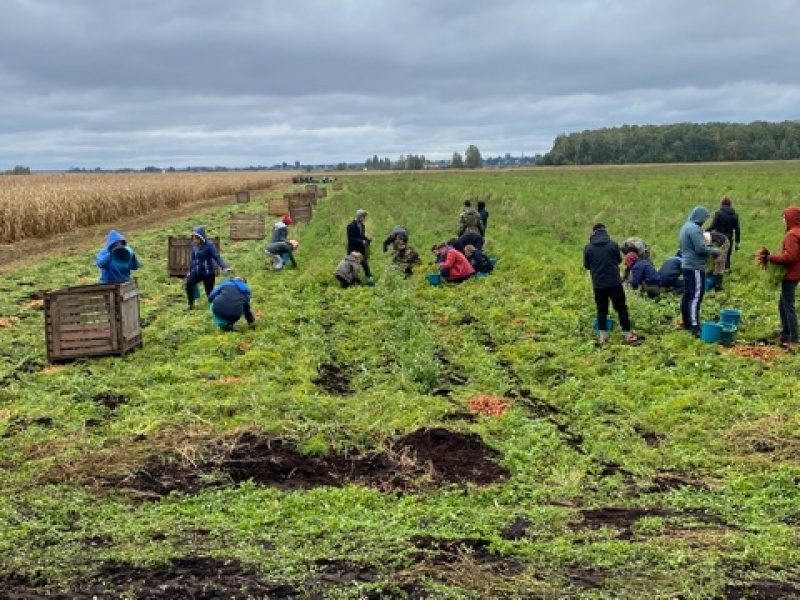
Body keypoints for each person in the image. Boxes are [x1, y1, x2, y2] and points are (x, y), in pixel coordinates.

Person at [583, 224, 638, 345]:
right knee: (621, 308)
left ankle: (603, 337)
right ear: (605, 231)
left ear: (593, 233)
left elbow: (587, 266)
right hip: (614, 282)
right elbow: (619, 260)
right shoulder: (612, 245)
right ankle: (628, 334)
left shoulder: (588, 248)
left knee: (601, 309)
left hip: (598, 284)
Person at [678, 206, 720, 336]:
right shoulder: (695, 229)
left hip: (686, 264)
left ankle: (686, 322)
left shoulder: (685, 227)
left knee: (687, 295)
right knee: (696, 296)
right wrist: (714, 250)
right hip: (695, 267)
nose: (704, 222)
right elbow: (700, 249)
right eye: (704, 219)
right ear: (700, 217)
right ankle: (694, 326)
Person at [766, 206, 800, 347]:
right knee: (783, 304)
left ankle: (793, 337)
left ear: (790, 218)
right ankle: (786, 333)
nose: (783, 220)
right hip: (796, 272)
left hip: (791, 273)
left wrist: (772, 257)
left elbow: (790, 256)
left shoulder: (792, 235)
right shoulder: (798, 231)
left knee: (787, 305)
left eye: (784, 217)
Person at [186, 226, 231, 310]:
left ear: (201, 237)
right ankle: (190, 304)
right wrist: (190, 271)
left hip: (208, 273)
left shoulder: (209, 245)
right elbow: (193, 259)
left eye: (197, 239)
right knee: (189, 284)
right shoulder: (193, 245)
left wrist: (224, 267)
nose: (195, 241)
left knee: (209, 293)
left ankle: (214, 308)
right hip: (197, 271)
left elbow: (217, 257)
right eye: (194, 238)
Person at [707, 197, 741, 271]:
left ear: (722, 204)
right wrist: (737, 242)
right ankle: (727, 269)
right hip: (729, 237)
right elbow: (737, 229)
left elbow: (713, 225)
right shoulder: (735, 215)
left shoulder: (718, 213)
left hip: (719, 238)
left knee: (718, 254)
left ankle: (717, 270)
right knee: (727, 255)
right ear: (730, 205)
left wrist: (705, 231)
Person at [346, 209, 374, 285]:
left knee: (363, 264)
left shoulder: (362, 225)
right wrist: (361, 241)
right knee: (355, 266)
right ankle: (353, 281)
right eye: (363, 217)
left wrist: (367, 239)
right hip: (353, 250)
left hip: (360, 249)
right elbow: (351, 238)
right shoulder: (350, 226)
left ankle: (368, 279)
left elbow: (361, 236)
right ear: (359, 216)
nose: (364, 218)